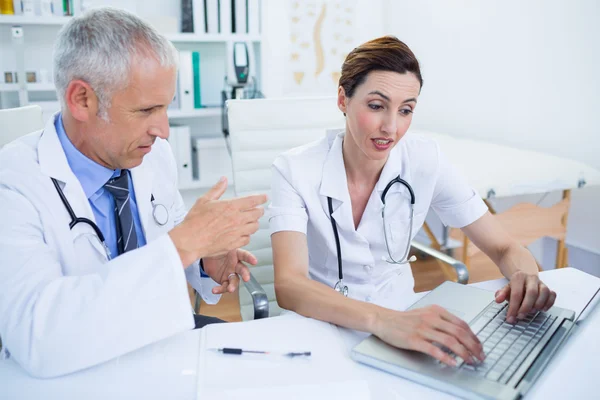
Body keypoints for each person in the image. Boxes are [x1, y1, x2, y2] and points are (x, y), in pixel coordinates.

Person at [0, 8, 266, 378]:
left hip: (156, 350)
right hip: (73, 374)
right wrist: (184, 244)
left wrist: (202, 261)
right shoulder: (12, 183)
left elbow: (163, 241)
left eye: (166, 107)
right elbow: (36, 335)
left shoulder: (152, 155)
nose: (163, 130)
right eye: (146, 110)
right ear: (82, 100)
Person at [270, 36, 556, 367]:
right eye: (376, 106)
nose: (391, 128)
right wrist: (383, 321)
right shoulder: (295, 169)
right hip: (322, 326)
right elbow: (289, 286)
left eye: (406, 110)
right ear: (343, 100)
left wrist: (526, 277)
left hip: (406, 327)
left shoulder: (424, 160)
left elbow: (506, 248)